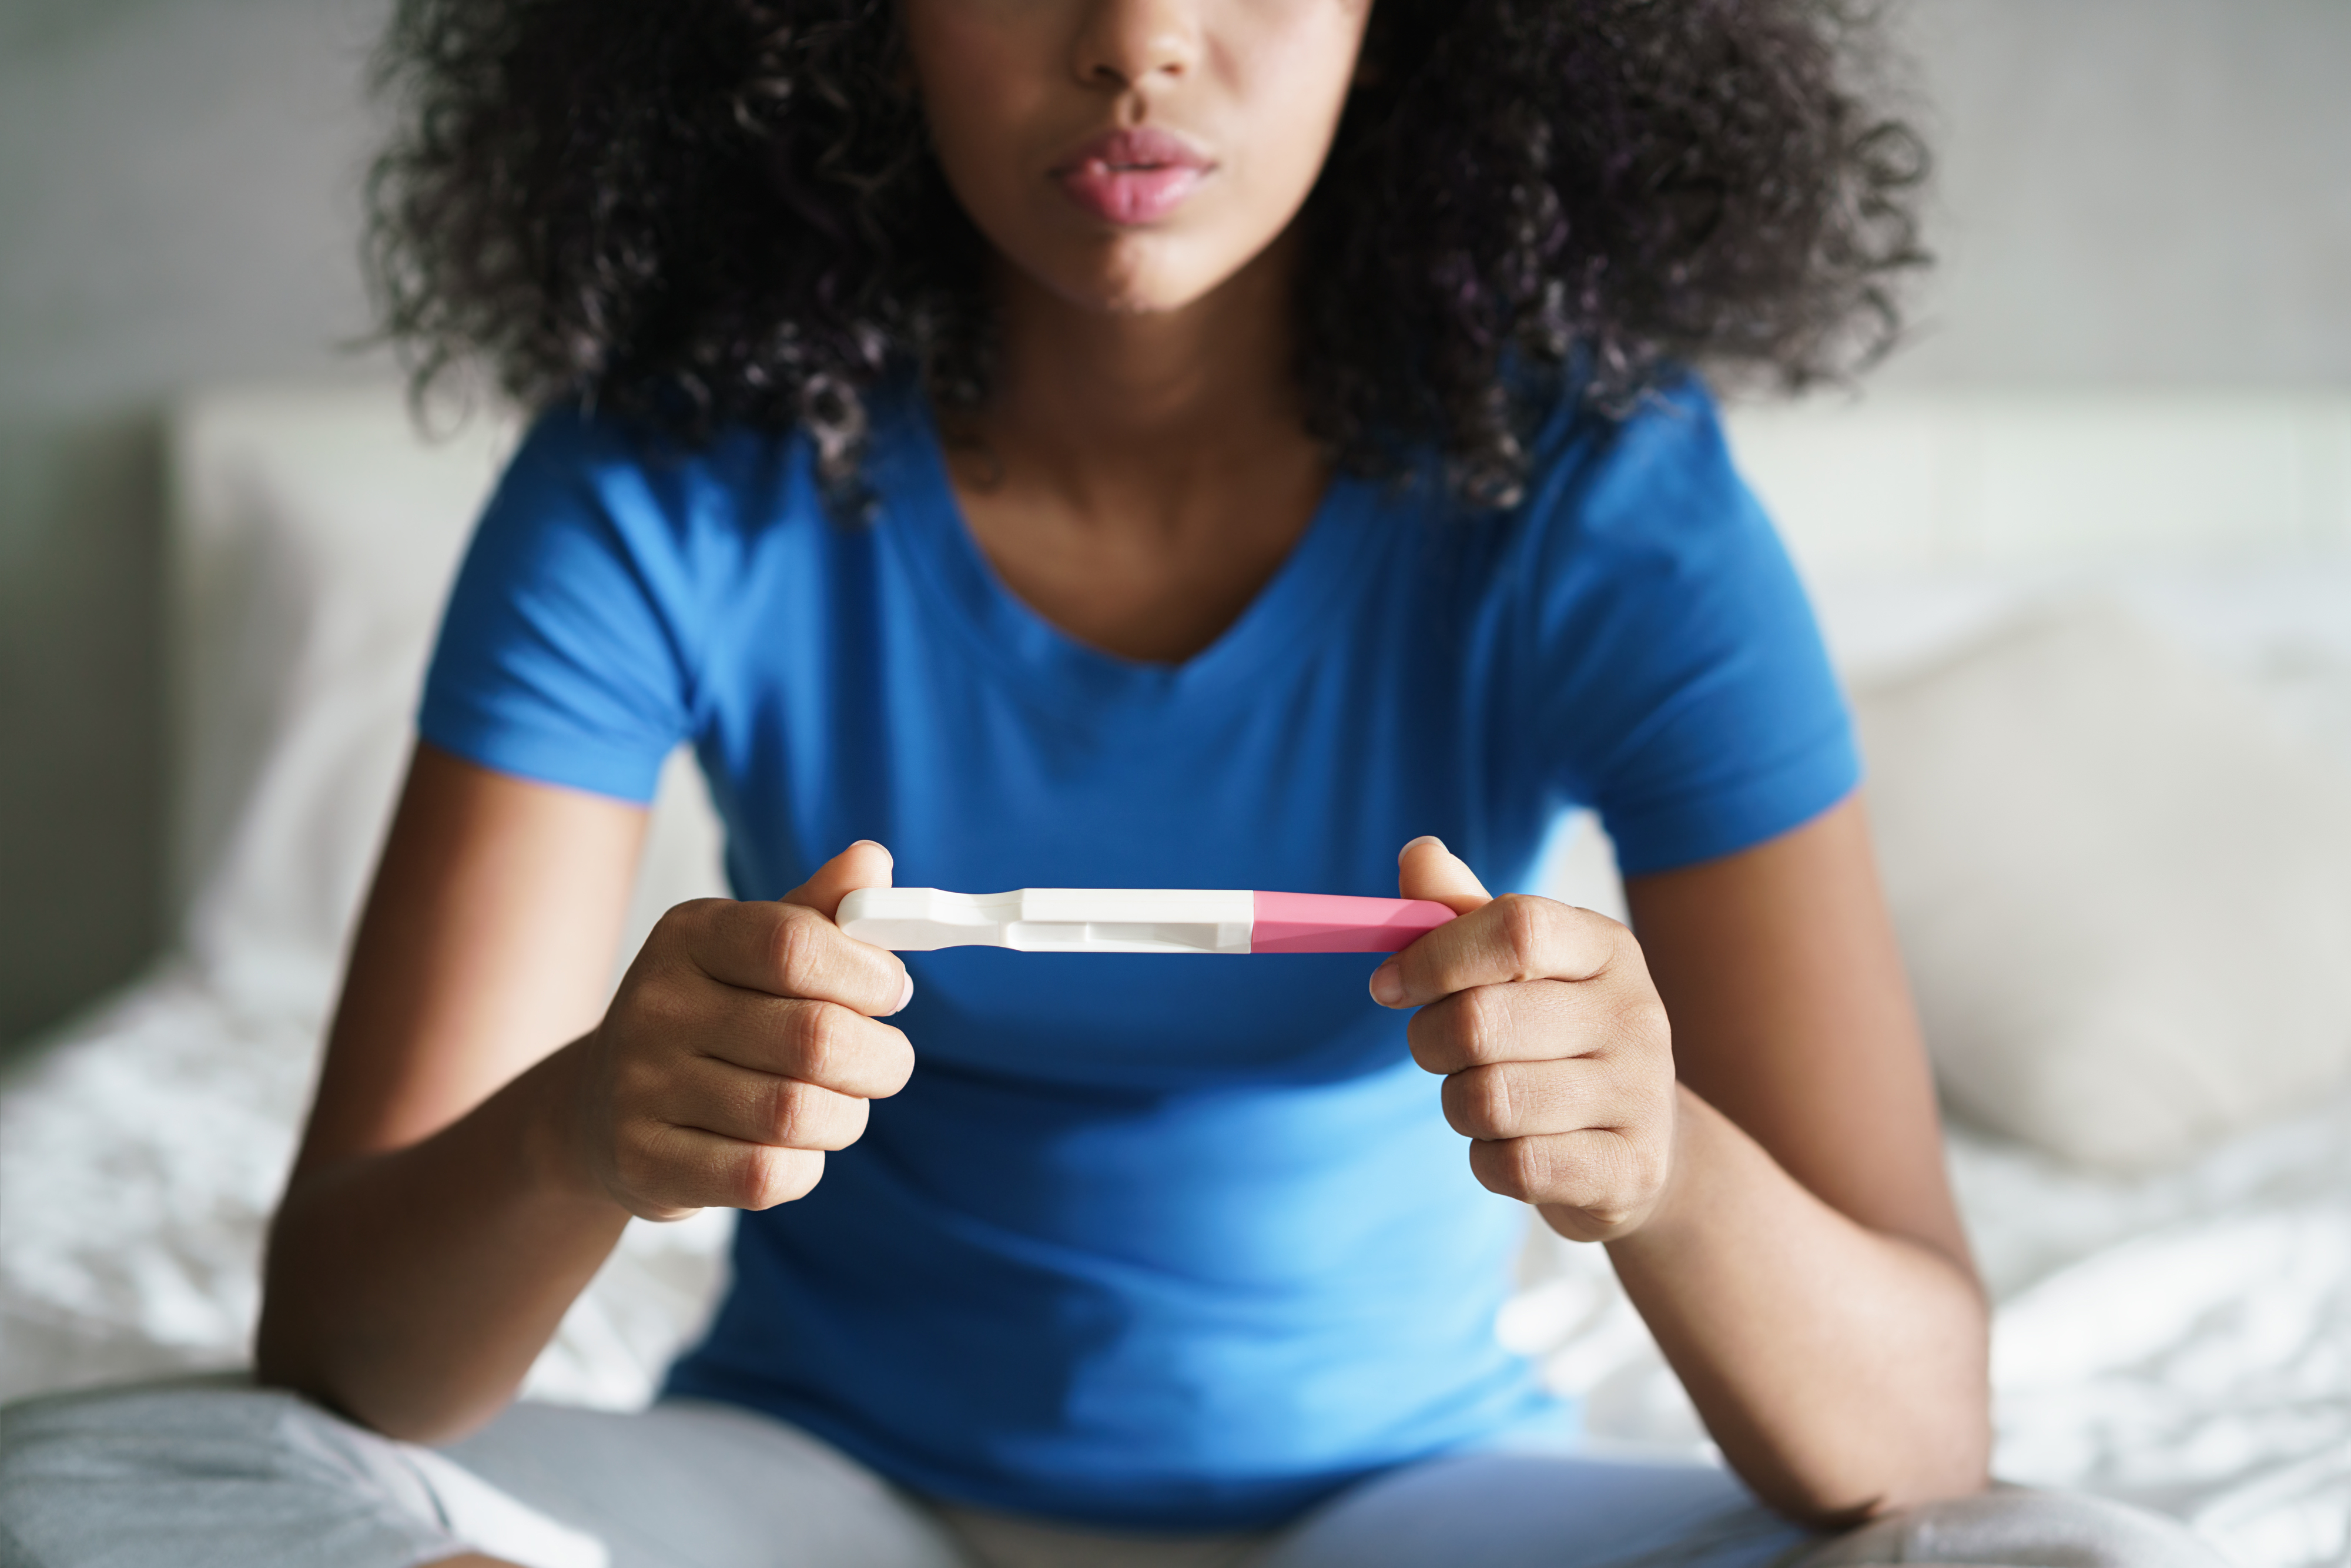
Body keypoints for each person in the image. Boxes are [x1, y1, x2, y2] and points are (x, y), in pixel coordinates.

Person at [0, 1, 2227, 1565]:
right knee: (108, 1496)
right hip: (809, 1493)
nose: (1141, 37)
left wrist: (1658, 1161)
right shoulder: (660, 476)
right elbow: (346, 1358)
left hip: (1410, 1507)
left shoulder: (1607, 504)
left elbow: (1923, 1436)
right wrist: (592, 1118)